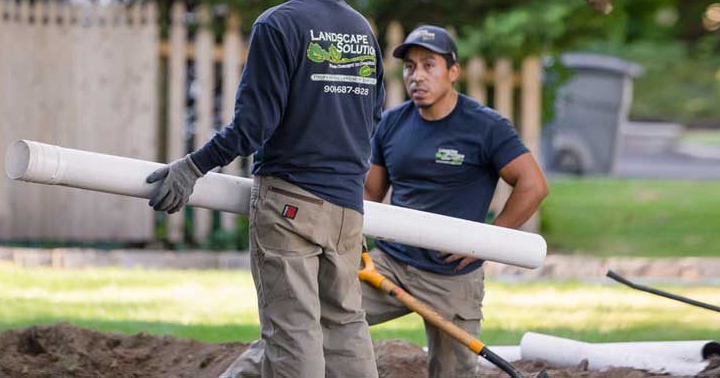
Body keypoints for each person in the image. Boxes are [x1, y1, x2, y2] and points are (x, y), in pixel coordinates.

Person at [219, 25, 548, 378]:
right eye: (409, 67)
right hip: (389, 265)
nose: (416, 76)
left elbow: (533, 185)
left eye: (428, 65)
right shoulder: (393, 124)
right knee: (302, 325)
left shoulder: (485, 127)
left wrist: (488, 240)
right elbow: (370, 193)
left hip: (453, 278)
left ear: (454, 72)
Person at [145, 0, 385, 377]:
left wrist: (193, 166)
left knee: (295, 333)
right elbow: (373, 117)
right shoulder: (361, 30)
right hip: (348, 209)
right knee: (346, 325)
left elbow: (253, 126)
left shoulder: (278, 25)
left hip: (292, 203)